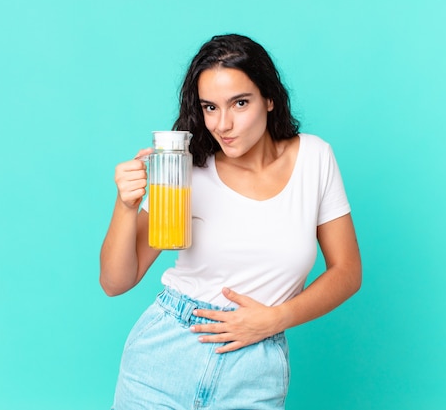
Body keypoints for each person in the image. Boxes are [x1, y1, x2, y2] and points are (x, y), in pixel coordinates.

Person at [99, 33, 362, 410]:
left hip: (254, 369)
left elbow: (347, 271)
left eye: (239, 103)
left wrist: (275, 319)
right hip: (163, 359)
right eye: (210, 107)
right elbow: (115, 281)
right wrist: (125, 206)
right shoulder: (185, 168)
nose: (223, 124)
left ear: (270, 98)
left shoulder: (314, 159)